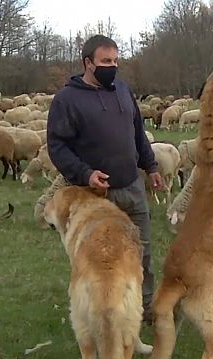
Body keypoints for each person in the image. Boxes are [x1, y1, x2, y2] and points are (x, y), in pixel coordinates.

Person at [46, 34, 164, 323]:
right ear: (88, 63)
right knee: (102, 259)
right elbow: (57, 146)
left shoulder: (123, 91)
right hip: (96, 196)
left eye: (115, 61)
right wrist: (85, 173)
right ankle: (102, 311)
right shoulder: (67, 100)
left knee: (142, 252)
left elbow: (137, 133)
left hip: (132, 187)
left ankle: (143, 307)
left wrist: (151, 166)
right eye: (106, 61)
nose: (113, 66)